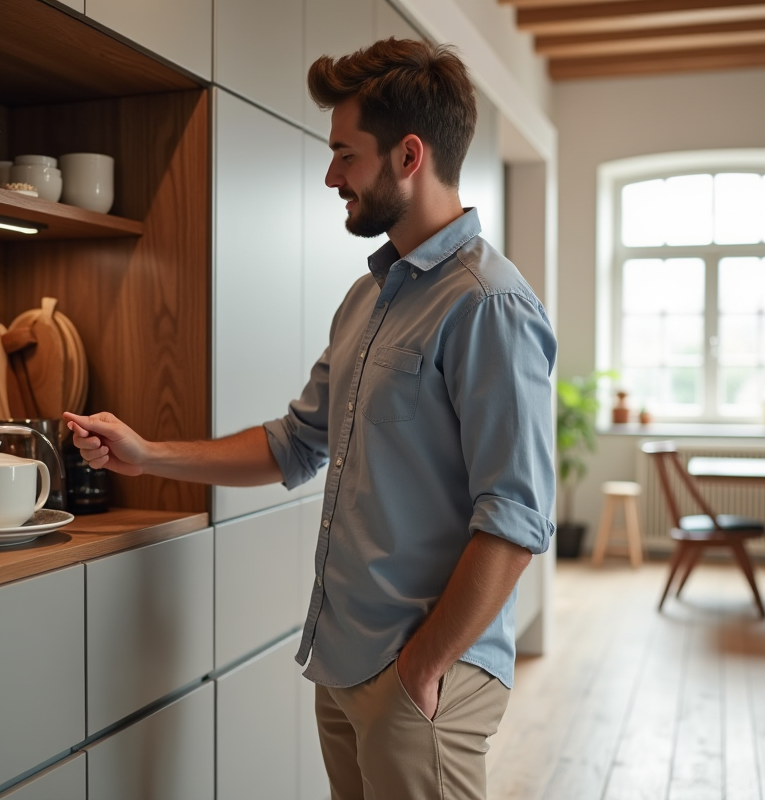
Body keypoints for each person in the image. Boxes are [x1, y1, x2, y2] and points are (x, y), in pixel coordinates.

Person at [65, 37, 556, 800]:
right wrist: (147, 453)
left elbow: (516, 520)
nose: (331, 176)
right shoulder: (368, 298)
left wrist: (423, 668)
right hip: (346, 662)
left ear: (408, 156)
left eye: (344, 154)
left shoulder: (489, 305)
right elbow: (297, 445)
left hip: (423, 677)